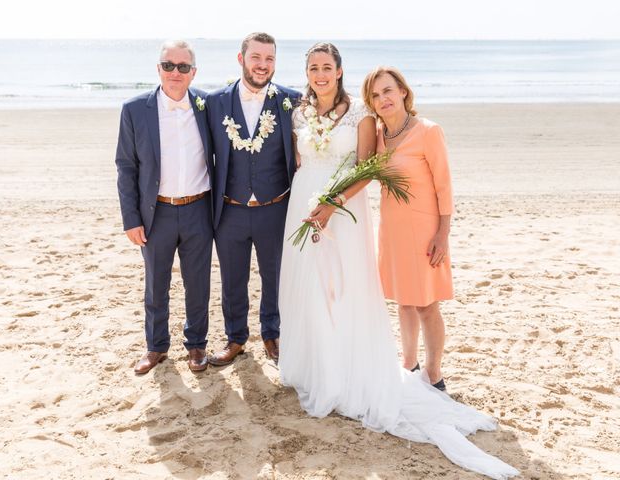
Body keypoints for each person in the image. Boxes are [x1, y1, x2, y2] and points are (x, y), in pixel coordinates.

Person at [278, 44, 519, 479]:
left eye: (327, 67)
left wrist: (334, 201)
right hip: (324, 207)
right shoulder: (303, 113)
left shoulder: (387, 123)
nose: (320, 74)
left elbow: (370, 170)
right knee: (338, 293)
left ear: (339, 71)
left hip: (361, 214)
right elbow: (300, 159)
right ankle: (362, 364)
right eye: (312, 67)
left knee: (406, 299)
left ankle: (432, 373)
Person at [115, 40, 214, 374]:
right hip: (155, 213)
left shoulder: (207, 105)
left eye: (183, 67)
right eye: (169, 65)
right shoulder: (134, 109)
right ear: (158, 68)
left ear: (193, 72)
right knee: (156, 284)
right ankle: (156, 347)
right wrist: (131, 219)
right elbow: (126, 167)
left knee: (198, 283)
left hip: (199, 208)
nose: (175, 72)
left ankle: (197, 346)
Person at [205, 33, 301, 366]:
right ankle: (235, 338)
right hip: (230, 210)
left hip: (275, 209)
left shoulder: (292, 101)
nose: (262, 65)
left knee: (274, 277)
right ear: (241, 59)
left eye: (269, 59)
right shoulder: (215, 102)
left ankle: (272, 335)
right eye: (256, 58)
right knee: (233, 279)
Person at [362, 66, 452, 391]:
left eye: (387, 90)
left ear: (402, 91)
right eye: (375, 95)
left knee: (427, 303)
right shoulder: (378, 136)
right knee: (404, 299)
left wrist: (443, 234)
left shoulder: (428, 131)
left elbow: (444, 186)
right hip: (392, 229)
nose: (382, 98)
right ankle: (409, 364)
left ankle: (434, 373)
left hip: (425, 229)